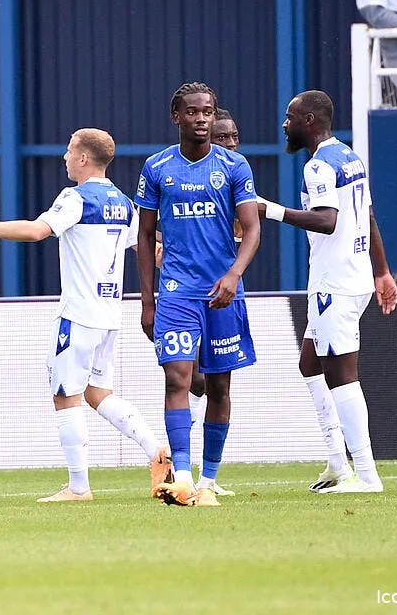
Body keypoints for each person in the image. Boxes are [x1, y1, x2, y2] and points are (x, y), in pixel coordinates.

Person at [0, 128, 172, 502]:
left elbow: (36, 231)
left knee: (66, 395)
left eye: (69, 151)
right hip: (110, 314)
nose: (64, 157)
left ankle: (79, 488)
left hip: (79, 314)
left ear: (83, 158)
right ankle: (155, 449)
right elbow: (147, 245)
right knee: (98, 393)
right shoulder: (122, 201)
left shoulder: (75, 198)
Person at [258, 90, 397, 494]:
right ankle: (338, 463)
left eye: (290, 117)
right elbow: (367, 215)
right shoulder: (349, 156)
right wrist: (383, 271)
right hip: (352, 277)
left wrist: (270, 209)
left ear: (309, 121)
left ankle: (368, 477)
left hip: (335, 284)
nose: (285, 123)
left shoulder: (319, 166)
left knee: (342, 375)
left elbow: (327, 221)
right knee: (310, 364)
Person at [137, 82, 261, 508]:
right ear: (177, 116)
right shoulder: (156, 167)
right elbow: (145, 234)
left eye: (207, 112)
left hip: (223, 294)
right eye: (193, 112)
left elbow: (253, 229)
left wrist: (234, 274)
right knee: (178, 378)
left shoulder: (234, 166)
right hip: (176, 293)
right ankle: (184, 478)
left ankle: (209, 480)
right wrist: (147, 301)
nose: (203, 119)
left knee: (219, 388)